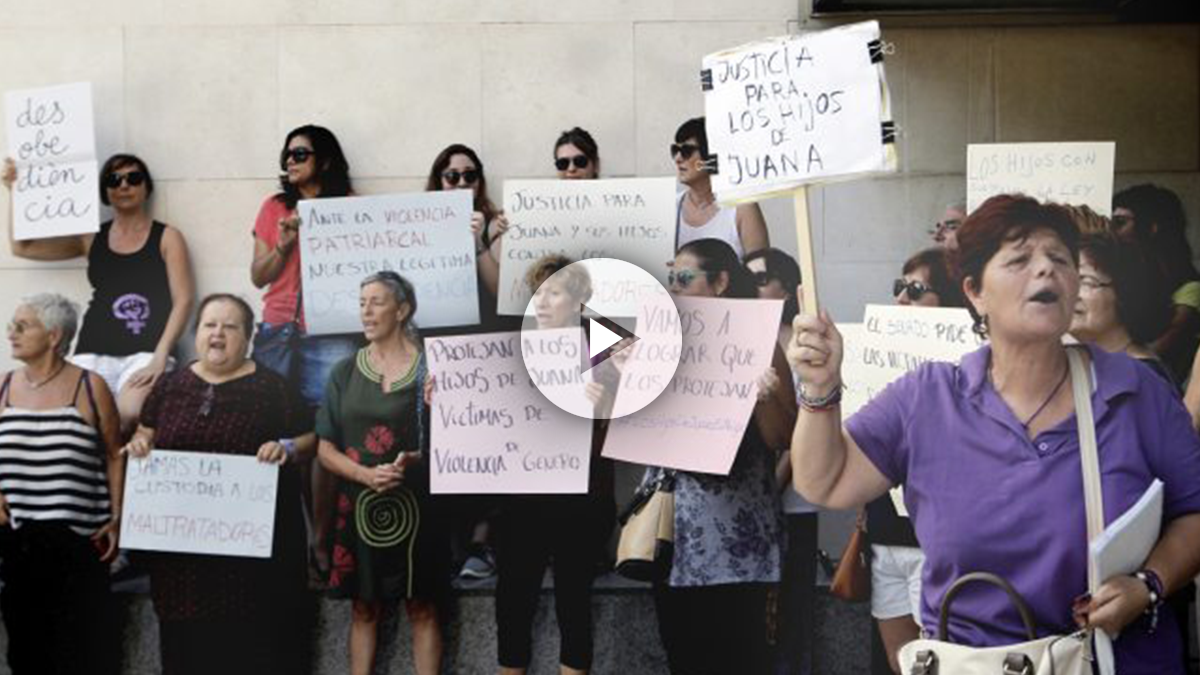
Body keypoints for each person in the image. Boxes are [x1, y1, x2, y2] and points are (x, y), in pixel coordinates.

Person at [788, 194, 1200, 674]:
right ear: (975, 291)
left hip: (1109, 661)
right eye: (1020, 259)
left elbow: (1194, 512)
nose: (1045, 270)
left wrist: (1149, 585)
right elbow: (826, 481)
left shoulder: (1134, 392)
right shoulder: (927, 397)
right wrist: (819, 390)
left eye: (1060, 259)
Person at [122, 294, 315, 675]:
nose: (218, 334)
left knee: (251, 649)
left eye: (230, 327)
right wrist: (142, 443)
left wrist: (286, 447)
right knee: (187, 651)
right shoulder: (170, 386)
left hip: (252, 559)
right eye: (210, 325)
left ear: (248, 338)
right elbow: (147, 430)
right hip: (183, 561)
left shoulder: (272, 388)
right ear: (197, 334)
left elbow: (311, 439)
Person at [651, 238, 796, 675]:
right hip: (673, 538)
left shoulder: (759, 342)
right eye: (669, 277)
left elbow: (782, 436)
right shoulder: (660, 340)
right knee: (684, 658)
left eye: (683, 277)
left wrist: (764, 396)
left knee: (738, 659)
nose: (672, 286)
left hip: (735, 539)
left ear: (719, 282)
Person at [316, 271, 449, 675]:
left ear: (402, 309)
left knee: (423, 608)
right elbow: (324, 448)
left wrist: (429, 430)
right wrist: (363, 475)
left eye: (376, 302)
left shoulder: (433, 368)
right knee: (363, 608)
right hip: (357, 506)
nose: (367, 311)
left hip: (418, 506)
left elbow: (460, 441)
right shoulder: (343, 371)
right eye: (362, 303)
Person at [3, 154, 195, 435]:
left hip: (147, 350)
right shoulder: (91, 238)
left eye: (134, 178)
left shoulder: (167, 237)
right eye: (113, 180)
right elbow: (24, 248)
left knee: (130, 412)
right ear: (105, 191)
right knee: (80, 420)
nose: (124, 185)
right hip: (93, 348)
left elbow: (184, 300)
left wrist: (160, 355)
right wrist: (14, 191)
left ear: (146, 187)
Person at [489, 254, 617, 675]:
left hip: (581, 498)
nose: (541, 303)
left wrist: (606, 406)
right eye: (537, 295)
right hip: (521, 500)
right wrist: (444, 398)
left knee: (574, 601)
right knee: (512, 600)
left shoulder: (605, 345)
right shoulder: (512, 347)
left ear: (580, 301)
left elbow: (640, 417)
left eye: (554, 293)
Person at [249, 123, 357, 579]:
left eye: (301, 154)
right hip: (278, 329)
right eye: (287, 154)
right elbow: (259, 275)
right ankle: (301, 532)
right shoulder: (274, 208)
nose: (291, 162)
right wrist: (284, 245)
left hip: (330, 332)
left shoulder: (350, 209)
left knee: (323, 432)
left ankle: (320, 540)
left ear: (324, 160)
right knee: (281, 431)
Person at [0, 293, 123, 675]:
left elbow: (115, 454)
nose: (11, 334)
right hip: (18, 543)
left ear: (54, 335)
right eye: (12, 326)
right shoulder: (3, 387)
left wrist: (119, 516)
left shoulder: (89, 387)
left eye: (23, 326)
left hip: (79, 545)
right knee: (26, 652)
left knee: (83, 653)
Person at [869, 247, 963, 675]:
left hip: (935, 542)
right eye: (899, 288)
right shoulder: (879, 356)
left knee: (940, 663)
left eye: (917, 289)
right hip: (886, 532)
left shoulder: (967, 371)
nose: (902, 299)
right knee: (899, 664)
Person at [744, 247, 818, 675]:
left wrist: (774, 483)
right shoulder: (733, 335)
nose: (752, 285)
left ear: (786, 289)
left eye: (761, 278)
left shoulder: (802, 341)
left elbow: (805, 424)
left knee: (792, 609)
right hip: (750, 499)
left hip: (793, 500)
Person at [1112, 183, 1200, 383]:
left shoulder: (1189, 287)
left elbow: (1158, 348)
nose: (1113, 232)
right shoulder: (1121, 273)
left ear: (1152, 228)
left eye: (1120, 222)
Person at [1069, 231, 1173, 387]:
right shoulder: (1090, 364)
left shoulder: (1142, 379)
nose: (1069, 292)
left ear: (1125, 296)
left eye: (1086, 281)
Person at [425, 143, 510, 309]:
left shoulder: (496, 224)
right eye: (452, 176)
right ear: (439, 182)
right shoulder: (423, 227)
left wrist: (478, 241)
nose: (462, 183)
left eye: (470, 175)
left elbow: (500, 292)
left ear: (479, 181)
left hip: (486, 326)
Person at [672, 117, 769, 260]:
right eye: (675, 150)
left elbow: (761, 272)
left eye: (687, 151)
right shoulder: (669, 207)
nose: (678, 158)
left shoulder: (741, 207)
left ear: (711, 156)